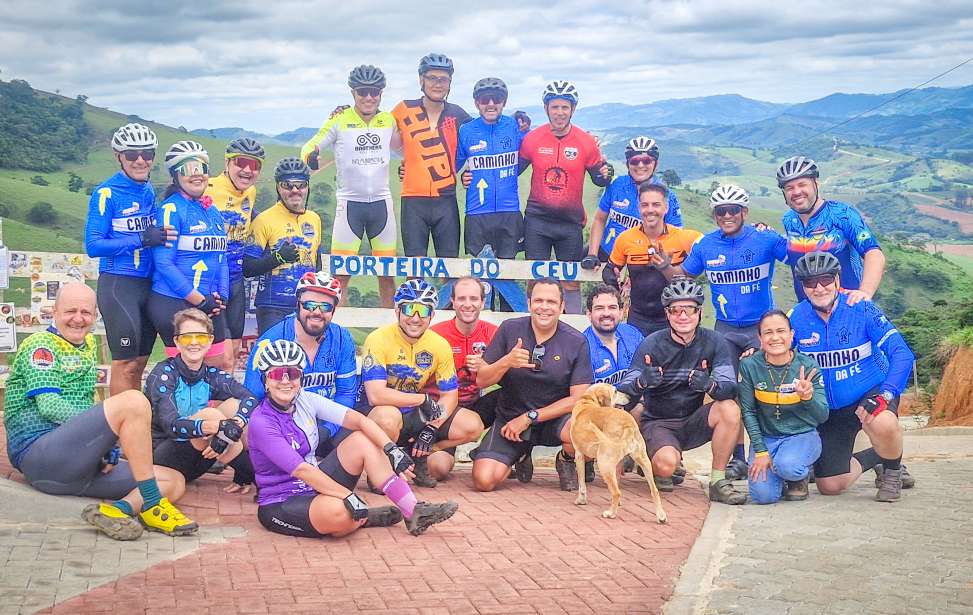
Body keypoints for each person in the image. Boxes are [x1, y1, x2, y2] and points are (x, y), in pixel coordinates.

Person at [2, 283, 197, 539]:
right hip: (40, 457)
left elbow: (85, 408)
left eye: (86, 312)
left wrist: (102, 448)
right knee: (134, 401)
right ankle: (152, 505)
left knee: (173, 481)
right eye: (70, 311)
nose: (78, 318)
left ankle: (116, 511)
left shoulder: (87, 346)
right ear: (54, 312)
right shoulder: (42, 345)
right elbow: (49, 406)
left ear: (95, 316)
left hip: (77, 470)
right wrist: (106, 439)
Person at [247, 339, 459, 537]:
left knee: (362, 439)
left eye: (292, 373)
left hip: (315, 485)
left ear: (300, 378)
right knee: (341, 513)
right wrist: (347, 495)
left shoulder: (306, 399)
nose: (285, 381)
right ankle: (365, 516)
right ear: (265, 380)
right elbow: (301, 470)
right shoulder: (261, 422)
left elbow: (359, 420)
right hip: (282, 500)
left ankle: (413, 511)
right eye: (276, 375)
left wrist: (391, 450)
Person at [789, 252, 916, 502]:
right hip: (830, 408)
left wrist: (886, 393)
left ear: (837, 279)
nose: (818, 287)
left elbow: (902, 353)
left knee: (883, 422)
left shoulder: (861, 308)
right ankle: (878, 455)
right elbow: (777, 353)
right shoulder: (796, 317)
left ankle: (892, 472)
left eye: (825, 279)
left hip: (869, 392)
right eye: (810, 282)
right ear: (802, 287)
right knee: (830, 486)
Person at [615, 278, 745, 504]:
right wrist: (642, 382)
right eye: (675, 310)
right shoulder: (651, 344)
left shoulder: (715, 341)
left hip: (694, 420)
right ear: (667, 314)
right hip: (659, 421)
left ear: (699, 312)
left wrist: (710, 385)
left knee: (730, 409)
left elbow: (730, 387)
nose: (683, 316)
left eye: (689, 309)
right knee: (666, 466)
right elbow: (624, 392)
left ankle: (718, 481)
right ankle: (650, 458)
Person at [359, 280, 484, 487]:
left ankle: (416, 455)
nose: (415, 318)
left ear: (432, 315)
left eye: (423, 310)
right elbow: (376, 395)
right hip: (380, 412)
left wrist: (432, 429)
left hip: (416, 413)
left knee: (473, 424)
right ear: (397, 310)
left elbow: (449, 395)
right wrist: (422, 399)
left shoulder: (439, 344)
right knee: (387, 417)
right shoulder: (378, 338)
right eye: (409, 308)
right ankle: (381, 471)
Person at [472, 278, 593, 492]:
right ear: (529, 304)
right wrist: (506, 362)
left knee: (584, 429)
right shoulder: (510, 329)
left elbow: (578, 398)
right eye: (538, 301)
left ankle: (566, 459)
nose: (544, 307)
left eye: (551, 302)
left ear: (562, 306)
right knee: (484, 480)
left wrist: (530, 417)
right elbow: (482, 379)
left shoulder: (576, 341)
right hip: (511, 419)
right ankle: (519, 453)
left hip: (553, 420)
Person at [85, 123, 173, 394]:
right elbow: (94, 245)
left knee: (139, 363)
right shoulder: (106, 193)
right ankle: (116, 427)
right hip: (119, 284)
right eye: (132, 154)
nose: (140, 160)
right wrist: (141, 240)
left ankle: (132, 422)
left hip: (147, 284)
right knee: (124, 363)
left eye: (147, 153)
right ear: (118, 156)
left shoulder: (147, 190)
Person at [300, 65, 399, 307]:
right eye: (363, 92)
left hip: (381, 204)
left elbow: (407, 147)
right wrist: (311, 155)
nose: (368, 97)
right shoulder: (340, 120)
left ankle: (389, 333)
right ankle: (338, 334)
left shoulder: (388, 120)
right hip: (349, 205)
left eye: (374, 92)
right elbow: (309, 146)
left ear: (381, 94)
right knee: (341, 276)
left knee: (387, 276)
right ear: (353, 93)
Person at [519, 81, 613, 313]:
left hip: (570, 222)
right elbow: (512, 171)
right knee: (535, 278)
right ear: (546, 108)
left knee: (571, 281)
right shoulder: (532, 139)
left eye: (565, 107)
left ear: (573, 109)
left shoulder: (586, 141)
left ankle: (573, 326)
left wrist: (607, 172)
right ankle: (533, 324)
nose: (560, 112)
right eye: (555, 107)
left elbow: (599, 178)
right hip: (537, 221)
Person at [244, 272, 358, 460]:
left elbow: (346, 394)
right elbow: (253, 396)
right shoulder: (270, 341)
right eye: (309, 305)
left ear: (334, 311)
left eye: (325, 307)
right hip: (283, 426)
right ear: (298, 305)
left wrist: (326, 431)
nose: (317, 312)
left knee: (360, 439)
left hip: (326, 426)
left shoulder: (342, 338)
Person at [146, 308, 259, 491]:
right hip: (163, 460)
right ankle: (259, 480)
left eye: (200, 337)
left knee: (235, 407)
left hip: (203, 455)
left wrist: (230, 429)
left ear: (210, 341)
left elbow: (250, 397)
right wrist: (219, 427)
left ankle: (243, 475)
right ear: (176, 341)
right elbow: (171, 426)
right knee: (211, 414)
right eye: (186, 337)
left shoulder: (210, 374)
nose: (193, 343)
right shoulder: (163, 374)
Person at [147, 141, 229, 364]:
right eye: (187, 169)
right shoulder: (171, 209)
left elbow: (222, 258)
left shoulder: (212, 211)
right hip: (174, 301)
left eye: (200, 168)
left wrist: (223, 297)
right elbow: (164, 264)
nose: (196, 175)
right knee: (187, 375)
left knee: (219, 367)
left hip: (209, 303)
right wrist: (200, 301)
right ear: (175, 176)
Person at [738, 310, 828, 504]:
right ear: (760, 338)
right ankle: (778, 470)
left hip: (801, 435)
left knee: (788, 465)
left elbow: (823, 415)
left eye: (781, 331)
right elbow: (748, 411)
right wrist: (761, 451)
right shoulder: (749, 366)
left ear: (791, 334)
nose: (775, 337)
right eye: (768, 332)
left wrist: (808, 397)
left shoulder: (808, 366)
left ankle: (798, 475)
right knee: (763, 497)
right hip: (767, 437)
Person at [392, 53, 471, 258]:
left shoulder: (459, 115)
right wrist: (345, 112)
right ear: (421, 80)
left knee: (449, 268)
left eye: (443, 79)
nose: (438, 84)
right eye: (432, 78)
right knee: (414, 267)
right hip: (413, 201)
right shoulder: (403, 109)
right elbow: (376, 128)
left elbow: (482, 142)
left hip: (446, 201)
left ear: (450, 83)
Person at [777, 156, 885, 302]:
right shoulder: (789, 220)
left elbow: (873, 253)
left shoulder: (842, 214)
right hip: (809, 312)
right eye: (789, 188)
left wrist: (865, 292)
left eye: (802, 184)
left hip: (847, 307)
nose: (796, 192)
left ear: (816, 183)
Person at [603, 183, 702, 336]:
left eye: (656, 205)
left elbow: (713, 249)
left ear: (666, 207)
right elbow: (609, 270)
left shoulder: (687, 238)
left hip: (674, 318)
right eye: (645, 205)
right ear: (638, 208)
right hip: (637, 318)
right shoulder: (625, 238)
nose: (650, 210)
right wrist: (614, 287)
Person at [205, 137, 265, 371]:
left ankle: (223, 407)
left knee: (235, 349)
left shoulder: (250, 192)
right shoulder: (207, 188)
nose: (247, 170)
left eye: (255, 165)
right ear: (228, 163)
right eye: (241, 162)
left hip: (236, 281)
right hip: (211, 283)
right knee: (218, 356)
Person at [243, 157, 322, 334]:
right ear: (278, 187)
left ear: (307, 187)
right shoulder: (264, 220)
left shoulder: (314, 219)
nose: (295, 190)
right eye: (287, 185)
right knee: (276, 360)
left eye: (300, 184)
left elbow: (317, 263)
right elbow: (247, 268)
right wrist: (277, 258)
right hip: (272, 307)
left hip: (306, 306)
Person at [584, 137, 683, 267]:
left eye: (647, 161)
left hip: (642, 259)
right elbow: (600, 219)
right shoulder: (616, 185)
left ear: (655, 164)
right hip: (607, 250)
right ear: (628, 164)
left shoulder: (667, 196)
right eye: (635, 161)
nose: (640, 165)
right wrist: (592, 254)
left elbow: (676, 236)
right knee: (575, 263)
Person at [454, 78, 525, 258]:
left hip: (509, 211)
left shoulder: (513, 126)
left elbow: (538, 145)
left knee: (507, 274)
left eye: (497, 99)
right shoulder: (466, 130)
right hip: (477, 213)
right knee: (480, 278)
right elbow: (452, 163)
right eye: (485, 100)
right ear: (477, 103)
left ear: (504, 102)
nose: (491, 104)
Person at [429, 276, 499, 426]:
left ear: (482, 302)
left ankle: (500, 446)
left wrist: (488, 366)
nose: (468, 304)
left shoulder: (495, 333)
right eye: (461, 299)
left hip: (474, 404)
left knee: (513, 397)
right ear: (452, 302)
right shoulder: (434, 334)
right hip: (439, 404)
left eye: (473, 299)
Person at [583, 285, 642, 388]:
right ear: (589, 314)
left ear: (621, 312)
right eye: (599, 308)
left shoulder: (632, 334)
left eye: (612, 307)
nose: (606, 313)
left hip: (636, 401)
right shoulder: (581, 346)